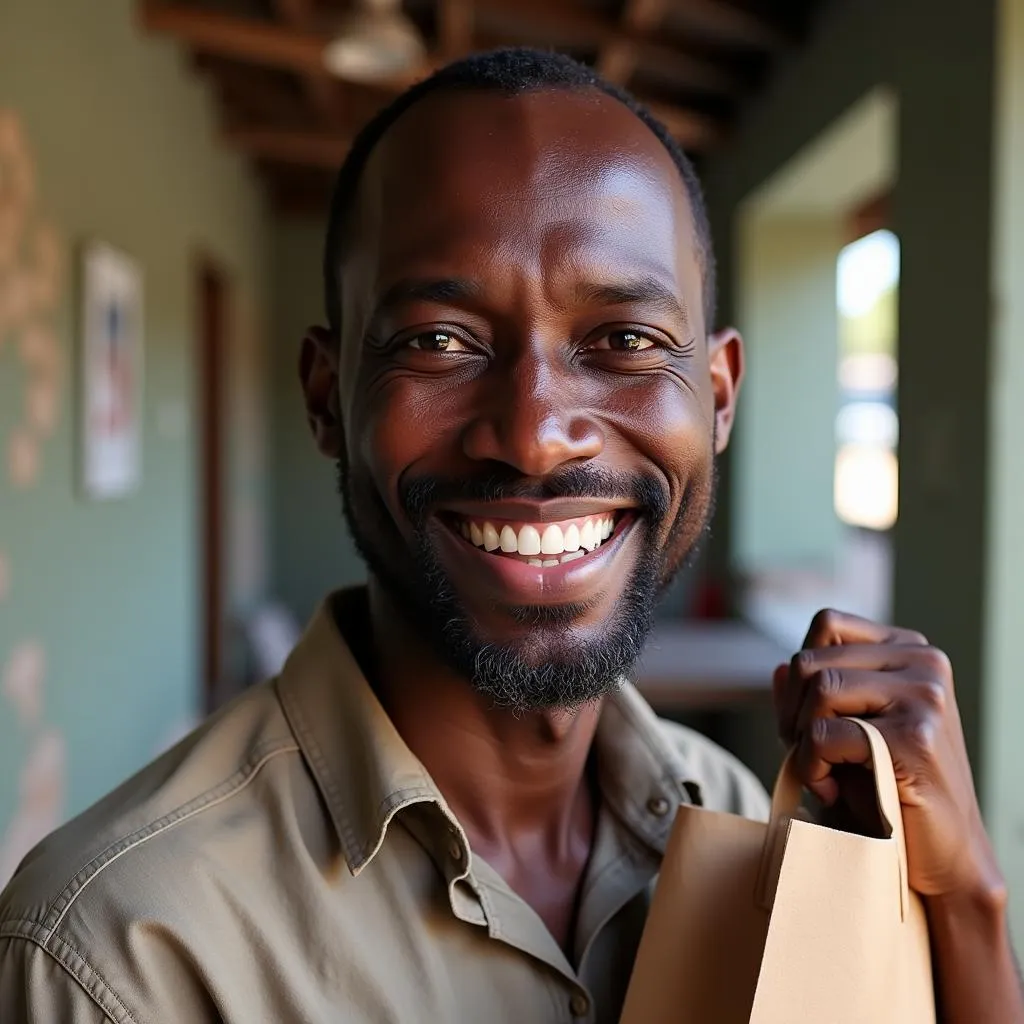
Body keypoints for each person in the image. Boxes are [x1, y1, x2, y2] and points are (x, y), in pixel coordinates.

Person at [0, 48, 1020, 1024]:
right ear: (326, 396)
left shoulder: (736, 810)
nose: (534, 436)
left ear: (715, 398)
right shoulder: (116, 959)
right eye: (439, 341)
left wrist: (963, 906)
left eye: (622, 341)